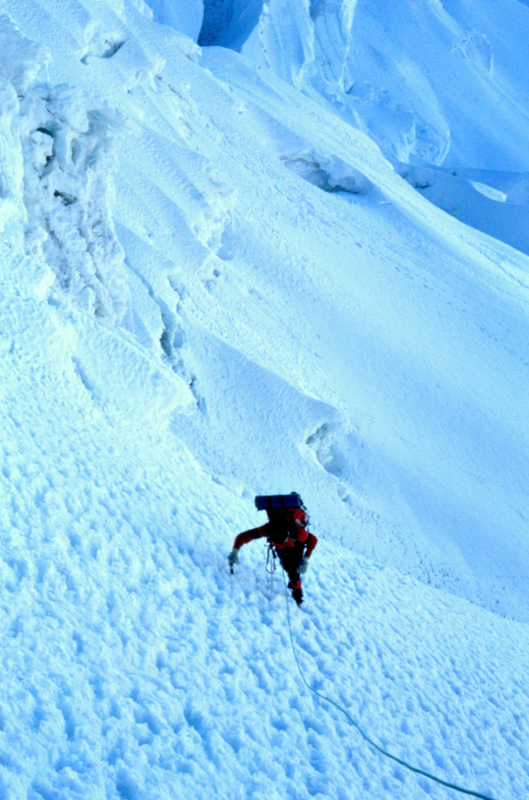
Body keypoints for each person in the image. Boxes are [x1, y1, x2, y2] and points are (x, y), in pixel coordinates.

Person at [228, 496, 318, 606]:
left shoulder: (297, 532)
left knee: (294, 573)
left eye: (282, 540)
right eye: (277, 541)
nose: (280, 542)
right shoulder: (268, 528)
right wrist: (235, 551)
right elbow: (244, 536)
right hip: (281, 551)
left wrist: (305, 559)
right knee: (288, 568)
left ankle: (298, 595)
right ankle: (293, 582)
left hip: (296, 547)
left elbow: (313, 540)